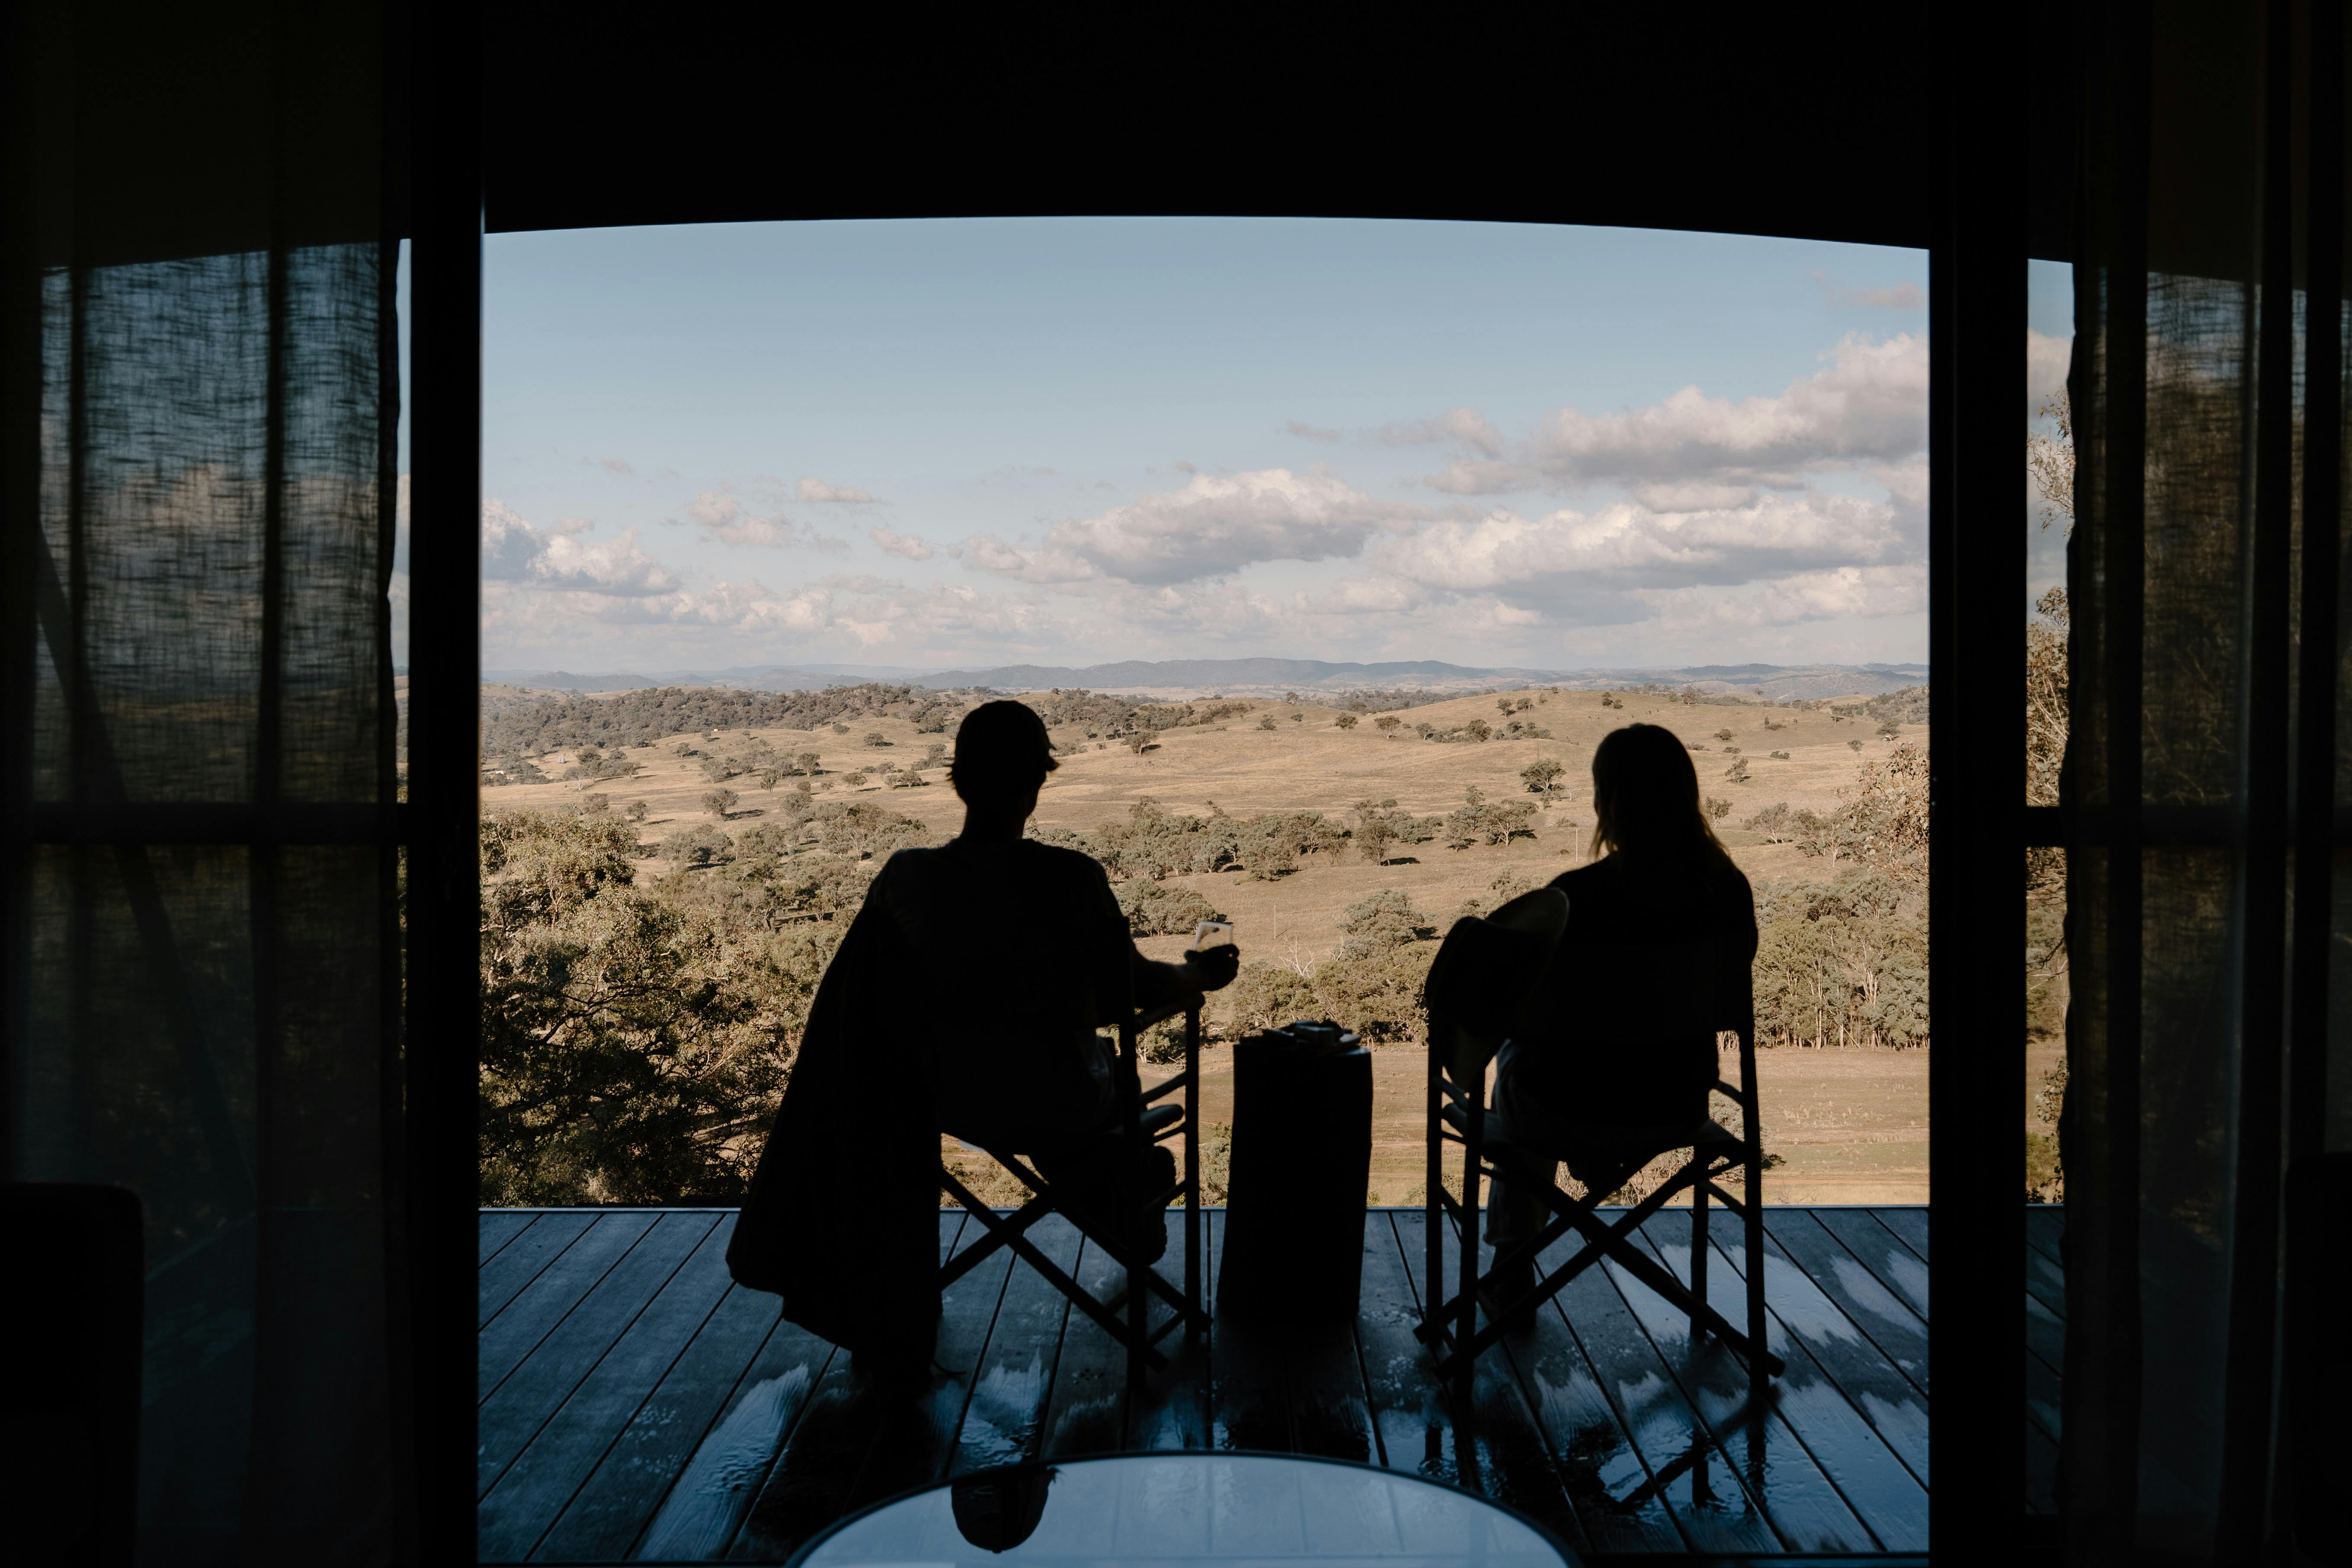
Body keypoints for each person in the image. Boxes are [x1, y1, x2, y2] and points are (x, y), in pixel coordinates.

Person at [727, 700, 1239, 1382]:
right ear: (1037, 783)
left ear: (958, 781)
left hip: (945, 1103)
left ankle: (1114, 1192)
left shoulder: (906, 878)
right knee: (1094, 1091)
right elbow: (1134, 991)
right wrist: (1199, 976)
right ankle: (1125, 1202)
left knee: (1048, 1097)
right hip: (1062, 1101)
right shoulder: (1072, 877)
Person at [1483, 721, 1758, 1261]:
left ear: (1605, 801)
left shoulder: (1572, 899)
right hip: (1674, 1105)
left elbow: (1521, 1012)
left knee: (1517, 1063)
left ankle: (1511, 1258)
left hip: (1565, 1104)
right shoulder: (1728, 892)